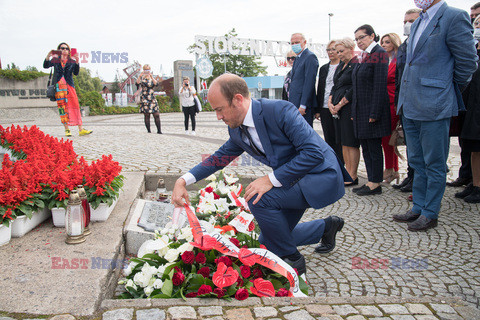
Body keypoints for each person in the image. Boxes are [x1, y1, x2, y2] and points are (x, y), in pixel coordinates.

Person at [172, 74, 350, 275]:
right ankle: (326, 227)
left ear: (238, 99)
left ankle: (292, 260)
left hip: (320, 175)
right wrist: (182, 181)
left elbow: (313, 153)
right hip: (292, 180)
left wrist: (270, 180)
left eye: (219, 109)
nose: (218, 117)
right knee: (268, 241)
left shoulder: (280, 110)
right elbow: (218, 159)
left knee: (258, 199)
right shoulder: (237, 130)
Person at [393, 0, 478, 231]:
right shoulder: (419, 19)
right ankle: (418, 206)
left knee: (434, 163)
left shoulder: (454, 17)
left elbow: (468, 62)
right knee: (417, 161)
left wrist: (446, 89)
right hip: (410, 103)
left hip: (434, 103)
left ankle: (430, 213)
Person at [351, 25, 391, 196]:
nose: (359, 41)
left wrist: (374, 113)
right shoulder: (364, 56)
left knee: (374, 148)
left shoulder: (379, 53)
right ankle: (370, 180)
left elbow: (379, 85)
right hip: (361, 110)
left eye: (362, 37)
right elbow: (357, 86)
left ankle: (376, 183)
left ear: (372, 36)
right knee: (366, 147)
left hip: (372, 110)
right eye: (357, 39)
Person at [447, 2, 480, 188]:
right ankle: (469, 179)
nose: (475, 22)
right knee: (468, 144)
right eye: (474, 19)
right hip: (469, 102)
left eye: (477, 18)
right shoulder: (473, 47)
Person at [392, 9, 422, 193]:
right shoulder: (404, 46)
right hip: (405, 103)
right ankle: (411, 176)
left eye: (411, 20)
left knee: (423, 149)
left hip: (422, 102)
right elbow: (399, 77)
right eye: (405, 21)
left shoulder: (424, 43)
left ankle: (419, 181)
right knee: (411, 146)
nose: (407, 24)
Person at [328, 38, 361, 186]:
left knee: (350, 141)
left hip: (349, 107)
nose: (339, 54)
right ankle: (347, 171)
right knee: (342, 141)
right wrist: (330, 102)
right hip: (337, 108)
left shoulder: (356, 63)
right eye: (337, 51)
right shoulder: (341, 65)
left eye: (342, 51)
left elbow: (355, 87)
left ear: (351, 48)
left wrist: (340, 104)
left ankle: (353, 175)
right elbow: (335, 86)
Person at [44, 43, 92, 137]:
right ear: (59, 50)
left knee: (75, 106)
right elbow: (45, 66)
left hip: (69, 86)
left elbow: (76, 72)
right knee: (62, 108)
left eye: (66, 48)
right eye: (62, 48)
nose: (65, 50)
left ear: (69, 51)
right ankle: (67, 130)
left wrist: (77, 61)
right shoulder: (55, 60)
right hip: (59, 86)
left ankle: (80, 129)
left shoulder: (72, 61)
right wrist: (48, 56)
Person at [456, 15, 480, 203]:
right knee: (472, 147)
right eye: (476, 24)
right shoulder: (473, 50)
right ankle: (475, 183)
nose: (477, 27)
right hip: (472, 105)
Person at [315, 40, 343, 163]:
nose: (331, 52)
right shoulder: (324, 68)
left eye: (333, 49)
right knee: (329, 137)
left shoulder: (344, 66)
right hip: (324, 106)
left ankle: (342, 162)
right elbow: (320, 87)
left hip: (339, 106)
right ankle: (332, 162)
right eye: (328, 50)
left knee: (340, 138)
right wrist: (318, 109)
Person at [380, 33, 402, 184]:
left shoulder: (398, 60)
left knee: (389, 138)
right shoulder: (383, 60)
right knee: (387, 138)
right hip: (383, 102)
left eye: (387, 42)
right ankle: (394, 169)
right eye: (382, 42)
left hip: (393, 102)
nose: (384, 45)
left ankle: (390, 169)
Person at [288, 33, 319, 126]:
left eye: (297, 42)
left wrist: (303, 105)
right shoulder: (297, 58)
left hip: (303, 107)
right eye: (292, 43)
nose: (294, 45)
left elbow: (309, 83)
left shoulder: (310, 57)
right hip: (294, 104)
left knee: (305, 134)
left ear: (304, 42)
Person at [136, 64, 162, 134]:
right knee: (147, 115)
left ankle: (159, 130)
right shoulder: (142, 78)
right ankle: (149, 130)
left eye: (148, 70)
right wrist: (140, 75)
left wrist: (151, 76)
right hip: (145, 97)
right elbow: (137, 83)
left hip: (152, 97)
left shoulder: (151, 78)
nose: (147, 71)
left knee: (156, 114)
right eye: (145, 70)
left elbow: (156, 84)